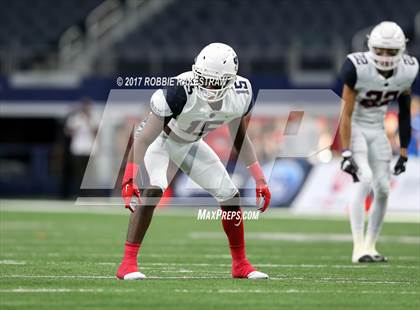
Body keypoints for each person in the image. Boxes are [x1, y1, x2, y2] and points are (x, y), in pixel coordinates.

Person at [116, 43, 271, 280]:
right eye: (203, 78)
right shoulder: (180, 89)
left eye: (214, 81)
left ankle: (240, 264)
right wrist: (128, 178)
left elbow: (239, 139)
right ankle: (127, 264)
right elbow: (144, 138)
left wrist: (260, 178)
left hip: (189, 144)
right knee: (154, 189)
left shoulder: (241, 94)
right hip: (161, 140)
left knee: (230, 195)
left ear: (230, 80)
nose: (207, 86)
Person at [339, 21, 418, 263]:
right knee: (364, 180)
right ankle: (358, 247)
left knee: (383, 189)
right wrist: (345, 152)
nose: (384, 56)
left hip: (378, 128)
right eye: (380, 50)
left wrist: (403, 151)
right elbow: (346, 113)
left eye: (391, 51)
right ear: (371, 47)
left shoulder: (409, 68)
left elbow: (405, 112)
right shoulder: (356, 66)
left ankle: (371, 245)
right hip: (357, 128)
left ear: (401, 50)